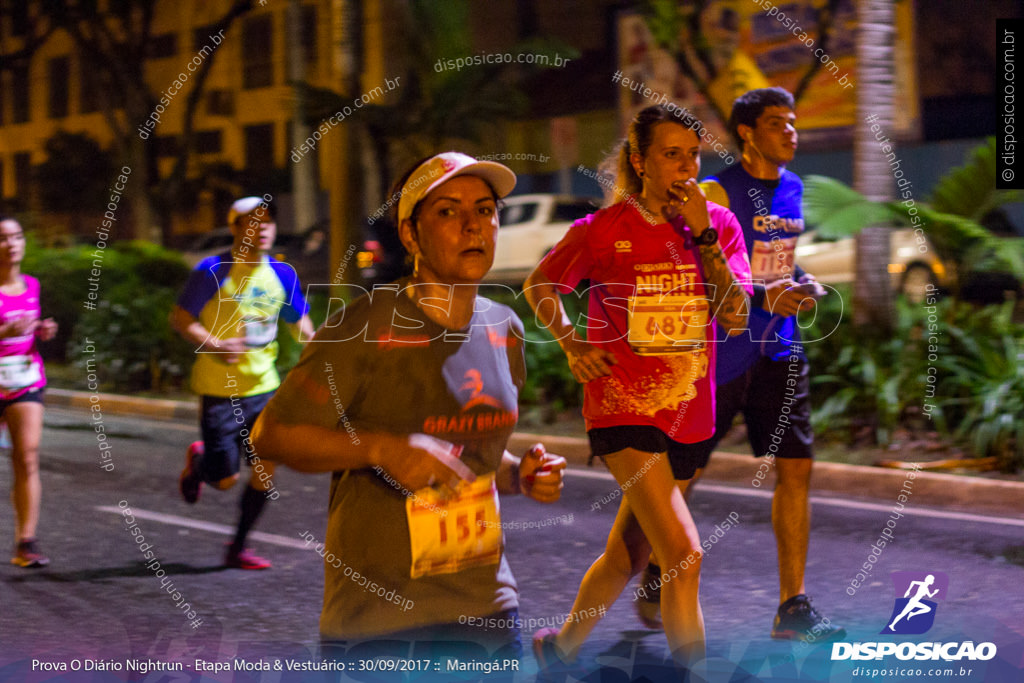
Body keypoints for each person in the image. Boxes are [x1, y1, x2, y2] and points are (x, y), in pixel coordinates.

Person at [251, 152, 566, 663]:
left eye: (485, 210)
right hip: (381, 627)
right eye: (447, 211)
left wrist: (519, 476)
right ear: (411, 234)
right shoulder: (365, 326)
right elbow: (272, 434)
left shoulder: (504, 327)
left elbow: (474, 458)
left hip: (488, 611)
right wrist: (381, 448)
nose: (472, 225)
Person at [523, 104, 751, 670]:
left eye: (693, 154)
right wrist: (574, 343)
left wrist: (702, 234)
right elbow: (540, 284)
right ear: (639, 161)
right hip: (621, 404)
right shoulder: (602, 231)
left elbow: (738, 317)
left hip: (689, 412)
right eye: (671, 154)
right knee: (684, 554)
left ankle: (560, 649)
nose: (686, 167)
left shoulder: (717, 227)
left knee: (627, 553)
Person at [634, 87, 845, 642]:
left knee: (796, 467)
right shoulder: (714, 190)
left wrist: (797, 285)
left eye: (794, 123)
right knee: (687, 472)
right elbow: (701, 272)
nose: (791, 133)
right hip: (721, 353)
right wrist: (758, 296)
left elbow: (776, 261)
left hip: (780, 347)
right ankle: (662, 558)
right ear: (748, 133)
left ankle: (792, 606)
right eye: (778, 124)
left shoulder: (794, 188)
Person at [171, 196, 314, 570]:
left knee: (266, 468)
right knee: (225, 480)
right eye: (252, 222)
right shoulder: (213, 270)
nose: (262, 228)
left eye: (268, 222)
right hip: (220, 390)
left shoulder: (283, 275)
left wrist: (324, 357)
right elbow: (181, 318)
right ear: (235, 228)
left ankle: (237, 548)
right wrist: (215, 343)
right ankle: (201, 462)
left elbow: (302, 327)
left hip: (264, 388)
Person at [0, 217, 58, 567]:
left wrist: (41, 331)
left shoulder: (32, 285)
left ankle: (26, 542)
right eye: (4, 238)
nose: (12, 244)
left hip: (24, 379)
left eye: (18, 236)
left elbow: (28, 331)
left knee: (27, 457)